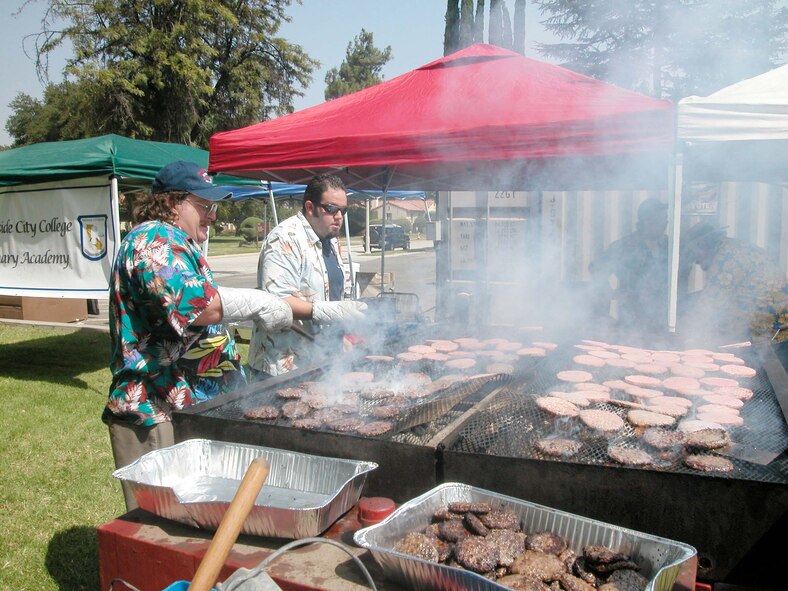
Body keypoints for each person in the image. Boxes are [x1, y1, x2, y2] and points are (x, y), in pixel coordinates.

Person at [103, 161, 293, 510]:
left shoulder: (177, 242)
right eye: (205, 206)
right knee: (162, 524)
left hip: (189, 410)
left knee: (198, 520)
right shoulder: (152, 239)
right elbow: (198, 307)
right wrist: (259, 302)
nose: (213, 216)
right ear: (173, 202)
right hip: (156, 412)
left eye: (214, 208)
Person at [249, 173, 367, 377]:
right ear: (310, 207)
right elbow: (276, 301)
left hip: (320, 359)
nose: (339, 216)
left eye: (343, 210)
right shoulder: (284, 238)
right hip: (284, 365)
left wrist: (339, 338)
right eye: (331, 209)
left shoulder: (331, 239)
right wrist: (330, 310)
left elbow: (332, 293)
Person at [679, 221, 785, 344]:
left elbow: (710, 305)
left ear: (703, 245)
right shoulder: (734, 248)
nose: (694, 260)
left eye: (693, 253)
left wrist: (684, 332)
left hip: (774, 325)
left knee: (763, 359)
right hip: (777, 320)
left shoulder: (725, 259)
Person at [588, 198, 669, 332]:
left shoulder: (670, 246)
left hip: (664, 320)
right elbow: (596, 269)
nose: (664, 224)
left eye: (665, 220)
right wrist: (607, 301)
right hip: (631, 320)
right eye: (660, 220)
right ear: (645, 221)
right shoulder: (624, 246)